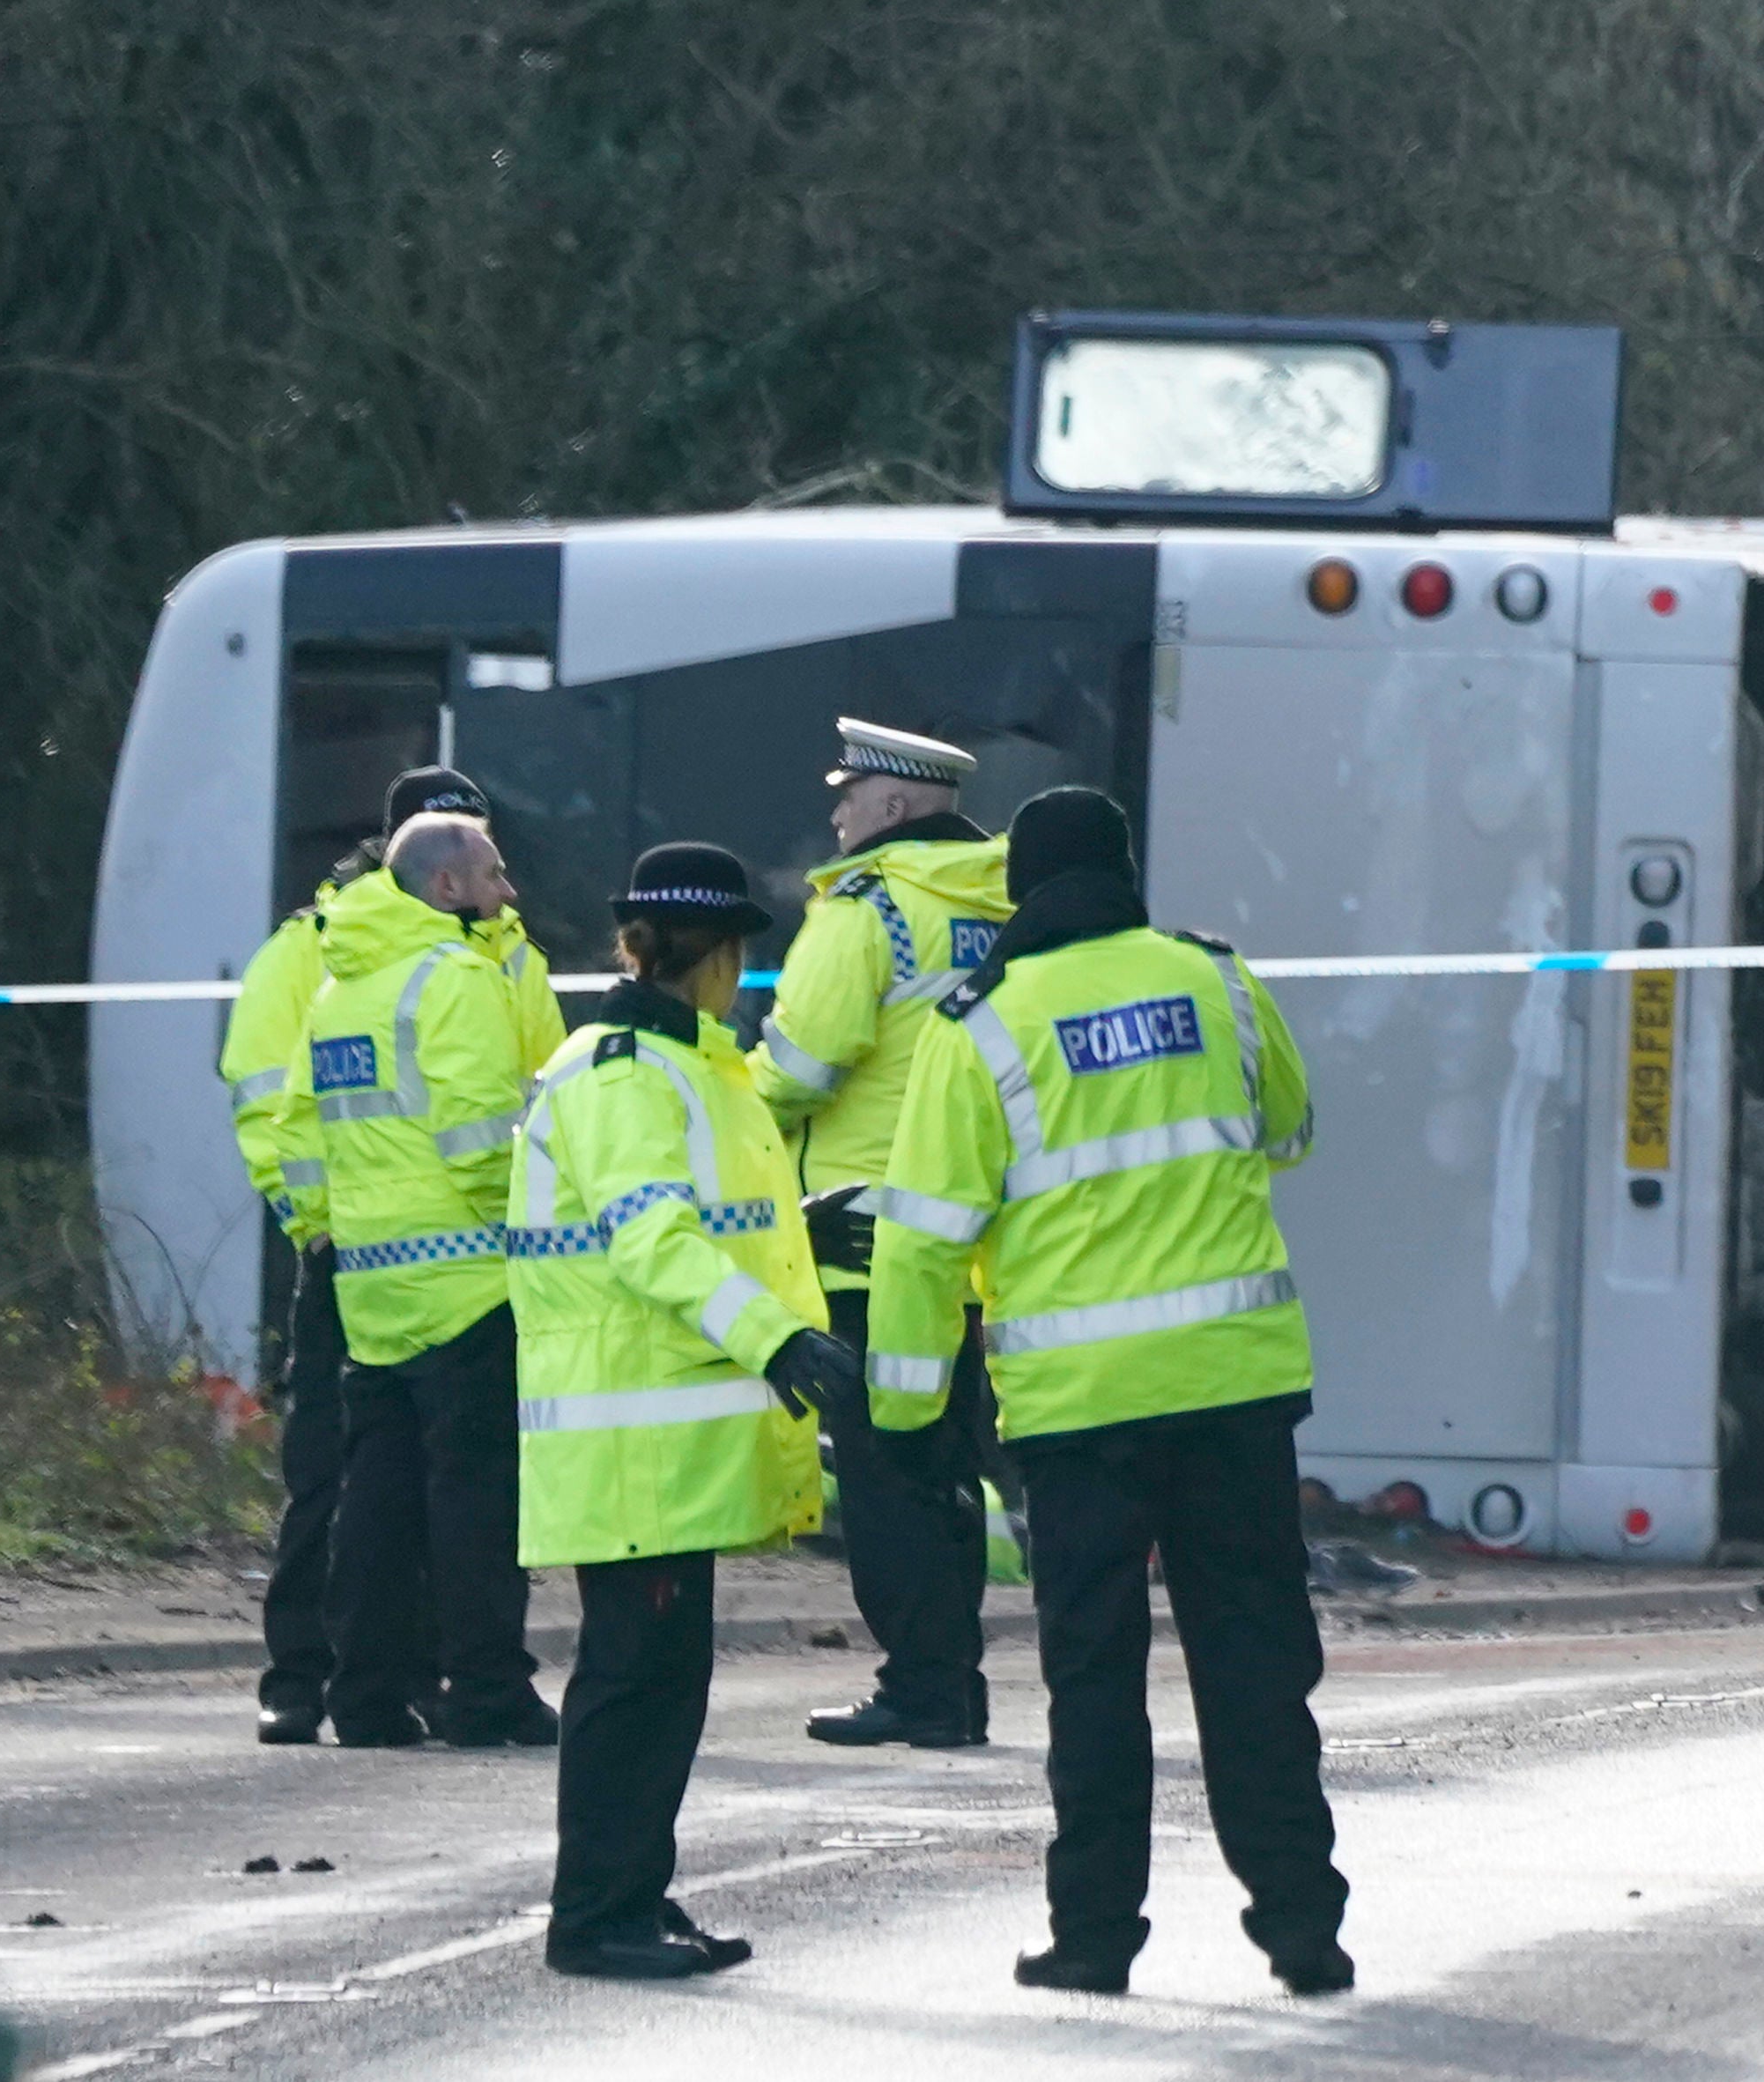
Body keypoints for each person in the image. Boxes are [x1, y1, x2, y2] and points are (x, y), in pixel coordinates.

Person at [863, 787, 1350, 1998]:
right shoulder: (1215, 980)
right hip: (1233, 1393)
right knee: (1255, 1663)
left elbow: (923, 1239)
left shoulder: (979, 1026)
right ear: (1126, 868)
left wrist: (910, 1416)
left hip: (1078, 1414)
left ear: (1020, 892)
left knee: (1094, 1677)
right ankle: (1301, 1924)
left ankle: (1093, 1937)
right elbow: (1288, 1128)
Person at [510, 841, 860, 1980]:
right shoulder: (621, 1072)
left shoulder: (692, 1069)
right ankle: (597, 1913)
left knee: (662, 1680)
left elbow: (702, 1218)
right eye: (741, 959)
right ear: (715, 959)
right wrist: (781, 1337)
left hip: (668, 1435)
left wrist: (810, 1225)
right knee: (632, 1681)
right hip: (635, 1439)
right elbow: (653, 1239)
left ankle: (632, 1898)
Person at [225, 766, 563, 1746]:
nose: (509, 888)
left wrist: (324, 1227)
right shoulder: (452, 977)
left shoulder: (345, 983)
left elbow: (298, 1123)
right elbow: (477, 1139)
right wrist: (537, 1219)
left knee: (369, 1502)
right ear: (449, 885)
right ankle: (486, 1689)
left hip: (370, 1289)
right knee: (473, 1502)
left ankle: (362, 1692)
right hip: (465, 1283)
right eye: (494, 870)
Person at [749, 719, 1015, 1752]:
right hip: (974, 1236)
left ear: (897, 805)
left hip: (863, 1234)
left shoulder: (867, 911)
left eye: (850, 792)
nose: (837, 811)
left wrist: (721, 1116)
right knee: (946, 1459)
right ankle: (952, 1683)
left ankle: (923, 1685)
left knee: (883, 1471)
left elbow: (802, 1068)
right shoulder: (1006, 905)